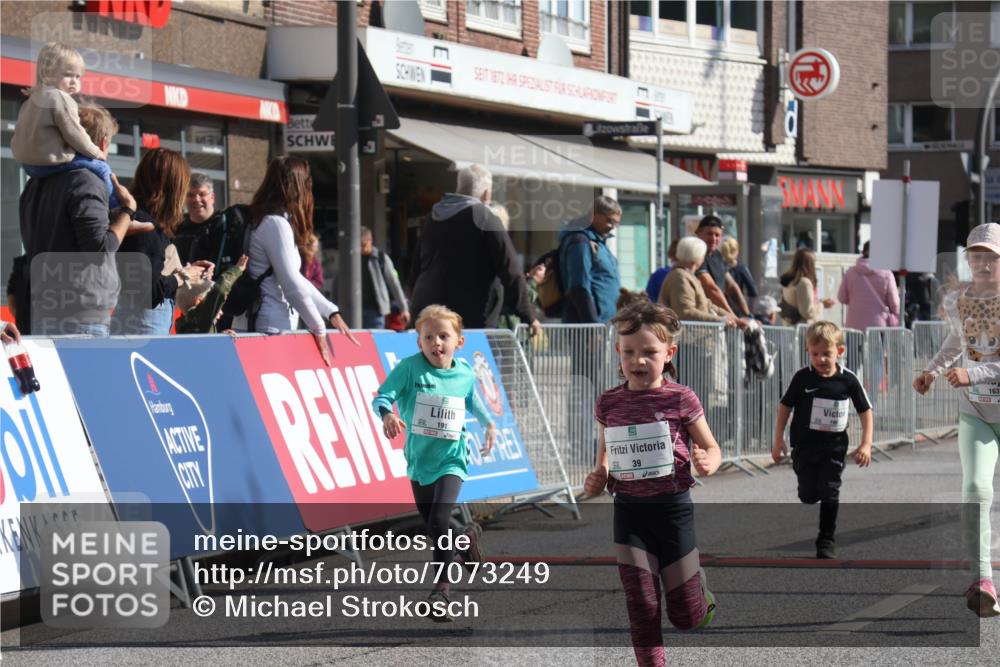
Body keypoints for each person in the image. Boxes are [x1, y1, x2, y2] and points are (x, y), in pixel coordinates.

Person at [583, 299, 721, 666]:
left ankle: (699, 593)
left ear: (669, 352)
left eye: (649, 352)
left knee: (685, 616)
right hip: (629, 513)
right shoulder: (608, 403)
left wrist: (708, 461)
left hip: (673, 511)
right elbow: (605, 458)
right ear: (618, 351)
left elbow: (710, 445)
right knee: (641, 602)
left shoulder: (680, 397)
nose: (638, 361)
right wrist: (598, 477)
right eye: (629, 352)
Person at [371, 305, 496, 622]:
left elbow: (472, 400)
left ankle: (441, 590)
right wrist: (387, 414)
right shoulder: (410, 369)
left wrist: (489, 424)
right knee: (434, 526)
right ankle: (465, 538)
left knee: (439, 519)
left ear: (459, 341)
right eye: (429, 337)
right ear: (419, 342)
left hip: (452, 459)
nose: (436, 343)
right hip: (419, 461)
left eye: (443, 336)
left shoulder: (464, 371)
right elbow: (382, 396)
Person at [913, 223, 1000, 617]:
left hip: (982, 389)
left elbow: (982, 365)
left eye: (991, 256)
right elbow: (957, 341)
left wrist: (973, 373)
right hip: (977, 411)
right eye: (976, 255)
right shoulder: (957, 301)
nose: (983, 263)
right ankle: (983, 581)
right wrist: (932, 370)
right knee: (977, 487)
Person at [17, 103, 149, 336]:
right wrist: (128, 212)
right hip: (81, 315)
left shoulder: (34, 184)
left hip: (44, 307)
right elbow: (99, 249)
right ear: (103, 143)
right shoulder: (85, 181)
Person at [772, 321, 873, 559]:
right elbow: (785, 408)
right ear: (808, 351)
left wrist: (866, 443)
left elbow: (865, 411)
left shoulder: (848, 380)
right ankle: (811, 489)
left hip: (833, 447)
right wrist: (779, 439)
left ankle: (826, 541)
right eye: (815, 354)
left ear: (840, 351)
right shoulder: (802, 379)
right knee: (808, 495)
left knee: (830, 491)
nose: (820, 359)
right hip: (804, 446)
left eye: (826, 354)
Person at [244, 156, 355, 363]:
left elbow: (294, 279)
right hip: (272, 323)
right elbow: (292, 284)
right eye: (307, 182)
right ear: (295, 186)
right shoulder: (275, 224)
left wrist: (330, 312)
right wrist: (319, 327)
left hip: (271, 320)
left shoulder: (269, 220)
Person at [409, 165, 540, 335]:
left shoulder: (432, 217)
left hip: (427, 312)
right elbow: (511, 270)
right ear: (487, 193)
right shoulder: (485, 218)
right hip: (469, 318)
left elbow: (416, 268)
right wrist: (528, 316)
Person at [111, 148, 210, 335]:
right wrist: (183, 276)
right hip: (141, 329)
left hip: (136, 325)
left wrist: (187, 272)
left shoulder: (138, 218)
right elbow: (149, 293)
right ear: (173, 188)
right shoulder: (145, 226)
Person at [10, 43, 119, 208]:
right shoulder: (61, 98)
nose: (74, 82)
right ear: (47, 73)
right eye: (68, 75)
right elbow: (75, 134)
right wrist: (96, 153)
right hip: (50, 163)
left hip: (29, 166)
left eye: (78, 77)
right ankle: (116, 210)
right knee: (102, 169)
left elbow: (19, 133)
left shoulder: (30, 101)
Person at [658, 237, 748, 329]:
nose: (703, 258)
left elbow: (707, 305)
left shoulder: (688, 276)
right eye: (703, 255)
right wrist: (720, 320)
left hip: (695, 339)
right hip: (688, 341)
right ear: (696, 256)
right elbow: (686, 313)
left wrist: (733, 318)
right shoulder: (680, 278)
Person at [559, 196, 622, 324]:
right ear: (593, 215)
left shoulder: (598, 242)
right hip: (588, 327)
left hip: (604, 323)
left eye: (616, 223)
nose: (612, 227)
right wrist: (593, 327)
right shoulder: (580, 242)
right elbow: (579, 287)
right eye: (610, 221)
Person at [173, 173, 244, 274]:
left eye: (202, 194)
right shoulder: (177, 228)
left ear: (213, 198)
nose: (196, 199)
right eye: (190, 195)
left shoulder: (226, 227)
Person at [174, 255, 247, 335]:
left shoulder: (185, 324)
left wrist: (220, 336)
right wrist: (237, 269)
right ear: (199, 301)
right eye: (211, 300)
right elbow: (219, 290)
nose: (221, 311)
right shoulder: (201, 318)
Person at [694, 216, 749, 317]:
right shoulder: (696, 255)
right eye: (709, 234)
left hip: (719, 315)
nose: (713, 238)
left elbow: (732, 287)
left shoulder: (718, 255)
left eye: (717, 235)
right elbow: (711, 289)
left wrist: (747, 314)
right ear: (698, 233)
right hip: (703, 316)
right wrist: (733, 317)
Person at [838, 241, 900, 330]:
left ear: (863, 252)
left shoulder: (850, 272)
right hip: (878, 326)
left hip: (854, 326)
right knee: (877, 344)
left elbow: (842, 298)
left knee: (854, 344)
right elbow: (895, 303)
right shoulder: (887, 274)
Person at [361, 226, 409, 330]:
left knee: (374, 340)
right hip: (354, 311)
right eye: (359, 245)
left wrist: (403, 308)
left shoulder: (381, 258)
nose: (362, 249)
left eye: (364, 245)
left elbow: (394, 284)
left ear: (370, 241)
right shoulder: (352, 258)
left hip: (376, 310)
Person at [779, 248, 835, 326]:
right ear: (810, 264)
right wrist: (822, 305)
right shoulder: (804, 283)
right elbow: (807, 312)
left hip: (790, 328)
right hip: (804, 331)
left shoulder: (790, 281)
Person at [720, 236, 758, 315]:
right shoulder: (741, 268)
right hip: (738, 310)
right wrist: (749, 312)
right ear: (736, 251)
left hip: (719, 308)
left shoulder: (717, 266)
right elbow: (753, 291)